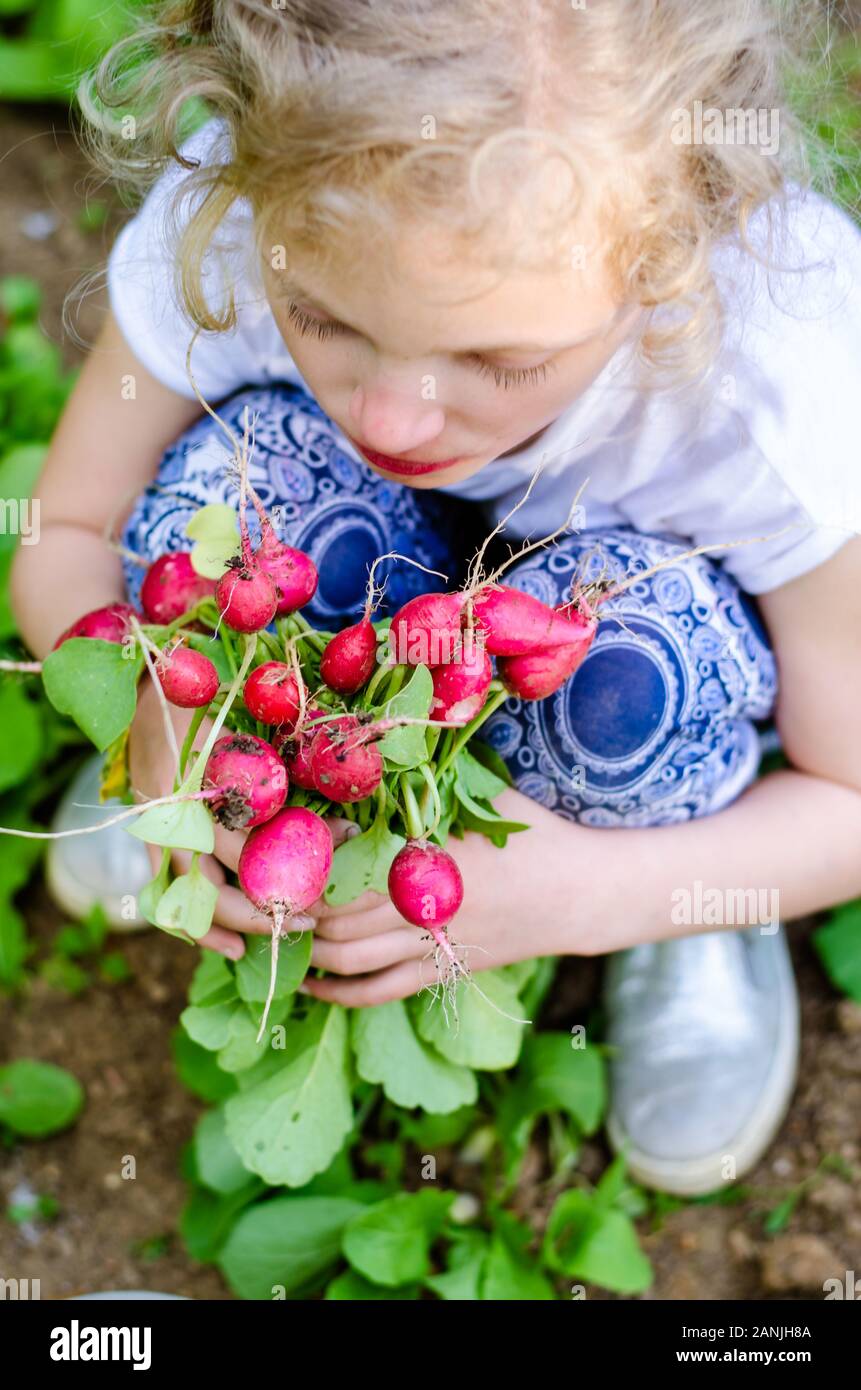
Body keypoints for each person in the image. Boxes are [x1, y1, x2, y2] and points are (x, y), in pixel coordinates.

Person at [12, 0, 861, 1196]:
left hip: (613, 630)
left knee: (627, 676)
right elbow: (67, 531)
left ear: (674, 250)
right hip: (360, 594)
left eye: (502, 360)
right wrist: (148, 701)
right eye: (325, 319)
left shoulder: (772, 379)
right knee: (241, 513)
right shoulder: (240, 218)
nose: (397, 417)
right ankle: (222, 770)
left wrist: (592, 899)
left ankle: (695, 893)